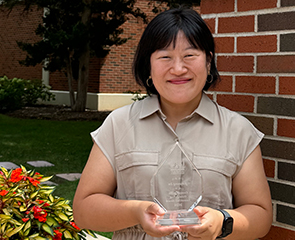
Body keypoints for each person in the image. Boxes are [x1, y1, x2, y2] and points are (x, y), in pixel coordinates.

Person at [73, 7, 272, 240]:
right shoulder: (119, 124)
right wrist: (136, 212)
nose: (178, 69)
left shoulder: (238, 130)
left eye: (189, 55)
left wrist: (221, 221)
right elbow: (83, 211)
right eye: (165, 57)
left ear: (208, 61)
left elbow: (260, 216)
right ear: (149, 65)